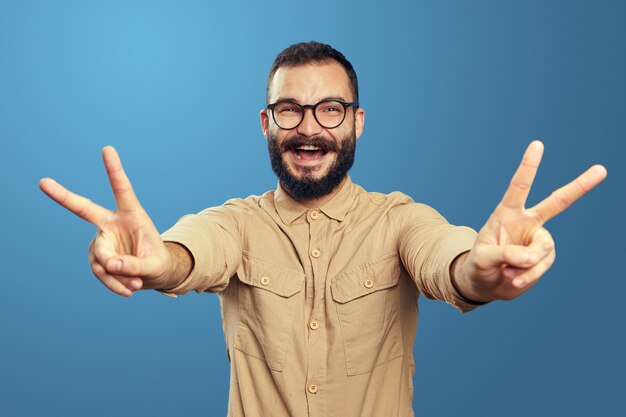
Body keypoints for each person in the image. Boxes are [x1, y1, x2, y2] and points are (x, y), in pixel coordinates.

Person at [39, 42, 607, 417]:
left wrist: (482, 273)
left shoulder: (399, 219)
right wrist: (156, 262)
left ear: (357, 121)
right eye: (289, 109)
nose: (309, 129)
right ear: (266, 123)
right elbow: (190, 253)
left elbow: (447, 257)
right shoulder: (237, 222)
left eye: (330, 109)